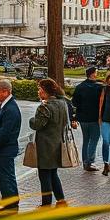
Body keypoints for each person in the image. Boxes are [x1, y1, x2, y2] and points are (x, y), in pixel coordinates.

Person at [28, 79, 71, 207]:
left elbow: (37, 124)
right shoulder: (62, 103)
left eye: (40, 89)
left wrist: (31, 120)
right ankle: (61, 199)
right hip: (57, 143)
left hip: (45, 146)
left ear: (45, 91)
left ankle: (46, 204)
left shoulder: (44, 106)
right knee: (53, 173)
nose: (38, 92)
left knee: (44, 175)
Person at [0, 78, 21, 209]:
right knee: (3, 176)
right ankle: (8, 201)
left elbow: (5, 131)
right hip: (3, 149)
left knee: (6, 176)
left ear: (5, 92)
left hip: (5, 149)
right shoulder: (6, 106)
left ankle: (11, 204)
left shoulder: (11, 108)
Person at [71, 67, 104, 172]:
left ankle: (85, 160)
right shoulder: (99, 87)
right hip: (94, 117)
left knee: (86, 139)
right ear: (93, 74)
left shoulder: (80, 87)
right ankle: (89, 161)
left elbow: (74, 102)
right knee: (94, 139)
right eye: (96, 73)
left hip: (83, 118)